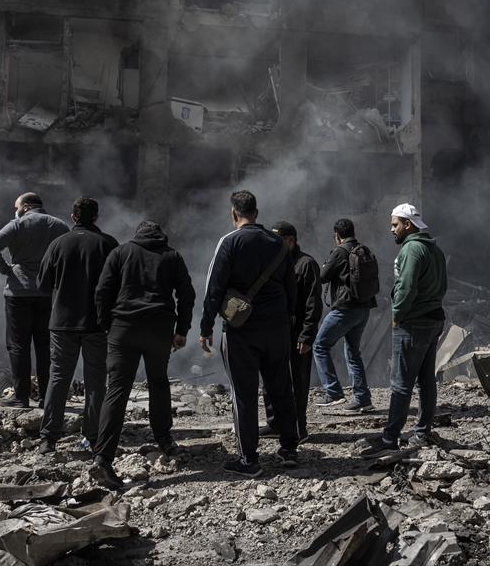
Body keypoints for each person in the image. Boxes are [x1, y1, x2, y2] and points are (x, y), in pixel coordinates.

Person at [199, 190, 300, 477]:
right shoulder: (278, 244)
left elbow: (214, 288)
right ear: (256, 213)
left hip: (240, 331)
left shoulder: (229, 242)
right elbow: (291, 288)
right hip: (277, 328)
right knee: (281, 388)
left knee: (243, 394)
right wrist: (286, 320)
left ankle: (249, 460)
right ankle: (289, 448)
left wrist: (206, 327)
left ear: (234, 213)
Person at [90, 220, 196, 487]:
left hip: (123, 328)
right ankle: (164, 440)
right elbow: (186, 294)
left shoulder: (120, 252)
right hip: (159, 329)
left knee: (117, 388)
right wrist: (182, 330)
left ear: (137, 233)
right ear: (160, 234)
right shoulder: (172, 256)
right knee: (158, 382)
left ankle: (102, 457)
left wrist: (105, 324)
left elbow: (102, 291)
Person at [361, 203, 447, 459]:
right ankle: (422, 432)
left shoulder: (411, 249)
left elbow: (407, 287)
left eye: (395, 224)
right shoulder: (434, 249)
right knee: (426, 380)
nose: (392, 229)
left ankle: (389, 439)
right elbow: (442, 285)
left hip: (414, 322)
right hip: (434, 319)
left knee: (400, 384)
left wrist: (398, 314)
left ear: (408, 224)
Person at [35, 196, 118, 453]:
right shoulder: (108, 244)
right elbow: (120, 285)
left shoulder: (58, 244)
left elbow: (42, 284)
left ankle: (48, 438)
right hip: (97, 324)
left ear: (73, 218)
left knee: (59, 378)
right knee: (96, 381)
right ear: (96, 217)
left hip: (63, 323)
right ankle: (93, 438)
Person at [0, 192, 70, 408]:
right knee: (45, 346)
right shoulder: (60, 226)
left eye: (17, 207)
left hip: (18, 293)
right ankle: (46, 397)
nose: (16, 211)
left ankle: (21, 397)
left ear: (25, 207)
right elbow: (69, 256)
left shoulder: (18, 225)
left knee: (18, 346)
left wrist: (6, 270)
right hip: (48, 294)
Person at [260, 221, 322, 442]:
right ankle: (275, 423)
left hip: (296, 333)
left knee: (297, 381)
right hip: (274, 331)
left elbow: (313, 304)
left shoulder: (306, 264)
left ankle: (298, 428)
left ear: (291, 240)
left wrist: (306, 335)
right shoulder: (272, 263)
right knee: (270, 378)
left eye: (279, 241)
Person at [312, 218, 378, 412]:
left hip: (345, 309)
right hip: (364, 309)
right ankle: (363, 398)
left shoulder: (339, 251)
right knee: (352, 352)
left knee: (320, 346)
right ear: (354, 233)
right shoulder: (363, 249)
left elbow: (322, 277)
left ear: (337, 236)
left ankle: (333, 392)